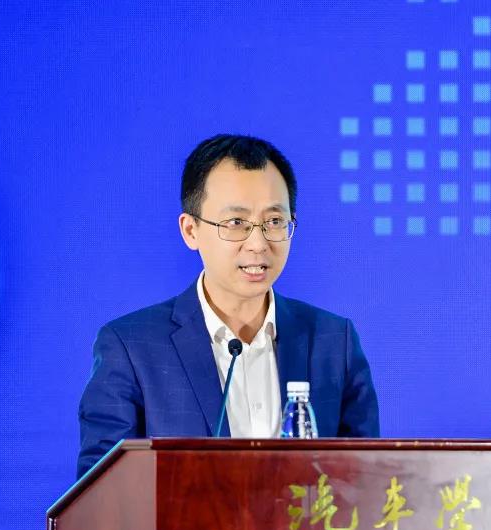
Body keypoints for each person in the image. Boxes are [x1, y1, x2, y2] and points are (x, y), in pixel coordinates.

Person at [76, 132, 380, 475]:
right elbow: (102, 490)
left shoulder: (333, 341)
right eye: (236, 223)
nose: (258, 244)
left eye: (274, 222)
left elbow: (366, 479)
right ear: (190, 230)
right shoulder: (132, 348)